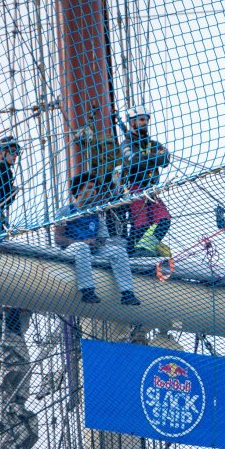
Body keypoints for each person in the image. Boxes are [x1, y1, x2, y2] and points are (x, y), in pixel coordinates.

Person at [54, 173, 141, 305]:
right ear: (77, 190)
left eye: (94, 189)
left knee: (119, 252)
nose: (93, 192)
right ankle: (87, 291)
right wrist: (81, 243)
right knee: (82, 248)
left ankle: (127, 293)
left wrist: (97, 242)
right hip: (71, 252)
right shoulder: (65, 211)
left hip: (93, 251)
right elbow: (58, 238)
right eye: (89, 188)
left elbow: (103, 238)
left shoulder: (96, 214)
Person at [121, 107, 171, 257]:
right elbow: (132, 161)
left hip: (151, 189)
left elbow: (166, 160)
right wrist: (154, 158)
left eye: (146, 120)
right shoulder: (127, 143)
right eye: (141, 119)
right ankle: (132, 251)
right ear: (132, 122)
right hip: (135, 188)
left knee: (163, 220)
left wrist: (147, 158)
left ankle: (146, 248)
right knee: (140, 223)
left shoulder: (154, 144)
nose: (145, 123)